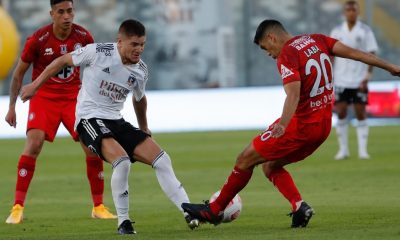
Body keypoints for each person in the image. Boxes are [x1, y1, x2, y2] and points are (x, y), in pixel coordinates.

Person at [181, 19, 400, 228]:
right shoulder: (317, 40)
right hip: (323, 127)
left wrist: (284, 124)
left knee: (244, 159)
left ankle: (214, 210)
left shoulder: (287, 54)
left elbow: (293, 94)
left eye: (265, 47)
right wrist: (390, 66)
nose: (268, 53)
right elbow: (356, 54)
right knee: (270, 165)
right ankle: (299, 207)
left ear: (271, 37)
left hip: (300, 126)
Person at [20, 19, 199, 234]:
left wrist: (144, 128)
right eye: (134, 44)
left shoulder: (141, 70)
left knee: (162, 159)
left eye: (142, 44)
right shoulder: (98, 52)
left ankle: (188, 211)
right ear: (120, 42)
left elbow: (139, 99)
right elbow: (61, 62)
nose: (139, 49)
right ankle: (123, 222)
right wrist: (34, 85)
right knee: (122, 162)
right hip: (89, 119)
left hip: (116, 121)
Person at [4, 0, 116, 224]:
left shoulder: (83, 37)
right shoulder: (38, 40)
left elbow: (96, 69)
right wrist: (12, 107)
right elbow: (18, 74)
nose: (67, 16)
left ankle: (98, 206)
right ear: (52, 14)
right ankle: (17, 207)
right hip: (44, 97)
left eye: (70, 11)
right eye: (61, 12)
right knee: (34, 144)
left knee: (91, 146)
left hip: (74, 98)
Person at [330, 0, 378, 160]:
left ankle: (363, 150)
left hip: (359, 79)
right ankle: (343, 150)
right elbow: (330, 55)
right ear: (344, 13)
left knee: (360, 112)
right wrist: (330, 76)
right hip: (341, 79)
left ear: (358, 12)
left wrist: (368, 76)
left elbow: (372, 53)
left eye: (354, 10)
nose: (351, 13)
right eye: (348, 10)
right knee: (341, 112)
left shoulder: (365, 31)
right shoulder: (336, 31)